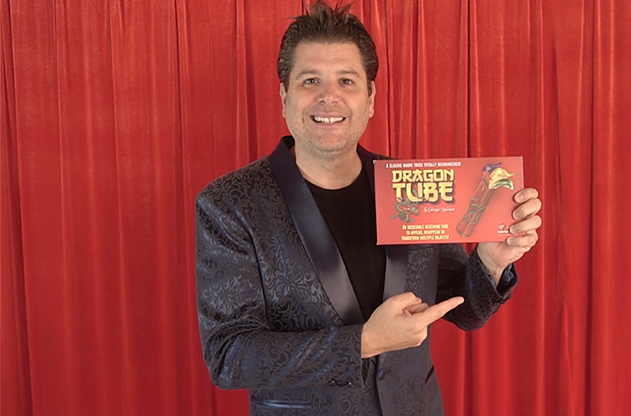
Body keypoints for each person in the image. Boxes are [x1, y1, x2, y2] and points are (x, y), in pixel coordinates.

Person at [195, 1, 542, 415]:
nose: (329, 97)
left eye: (347, 80)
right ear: (284, 95)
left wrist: (490, 263)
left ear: (371, 98)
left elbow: (465, 310)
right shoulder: (230, 204)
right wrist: (363, 342)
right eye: (310, 80)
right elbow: (229, 357)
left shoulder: (411, 188)